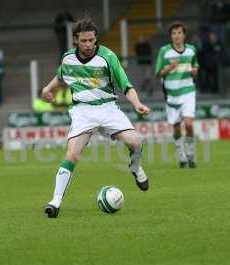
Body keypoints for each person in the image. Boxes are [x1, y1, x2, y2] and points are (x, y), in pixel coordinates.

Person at [41, 18, 150, 218]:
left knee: (136, 142)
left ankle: (135, 167)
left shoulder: (108, 57)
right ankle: (55, 201)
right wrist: (48, 89)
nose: (89, 44)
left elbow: (126, 86)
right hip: (82, 111)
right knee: (72, 154)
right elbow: (60, 76)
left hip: (108, 108)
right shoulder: (68, 59)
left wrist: (137, 104)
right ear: (75, 40)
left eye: (92, 40)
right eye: (84, 41)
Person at [155, 21, 199, 168]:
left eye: (179, 33)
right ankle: (181, 156)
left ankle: (191, 155)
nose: (177, 36)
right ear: (170, 36)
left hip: (188, 91)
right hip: (171, 95)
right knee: (176, 127)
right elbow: (159, 73)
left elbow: (195, 66)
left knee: (189, 124)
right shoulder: (164, 51)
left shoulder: (191, 50)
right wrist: (169, 67)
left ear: (184, 35)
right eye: (174, 33)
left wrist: (195, 71)